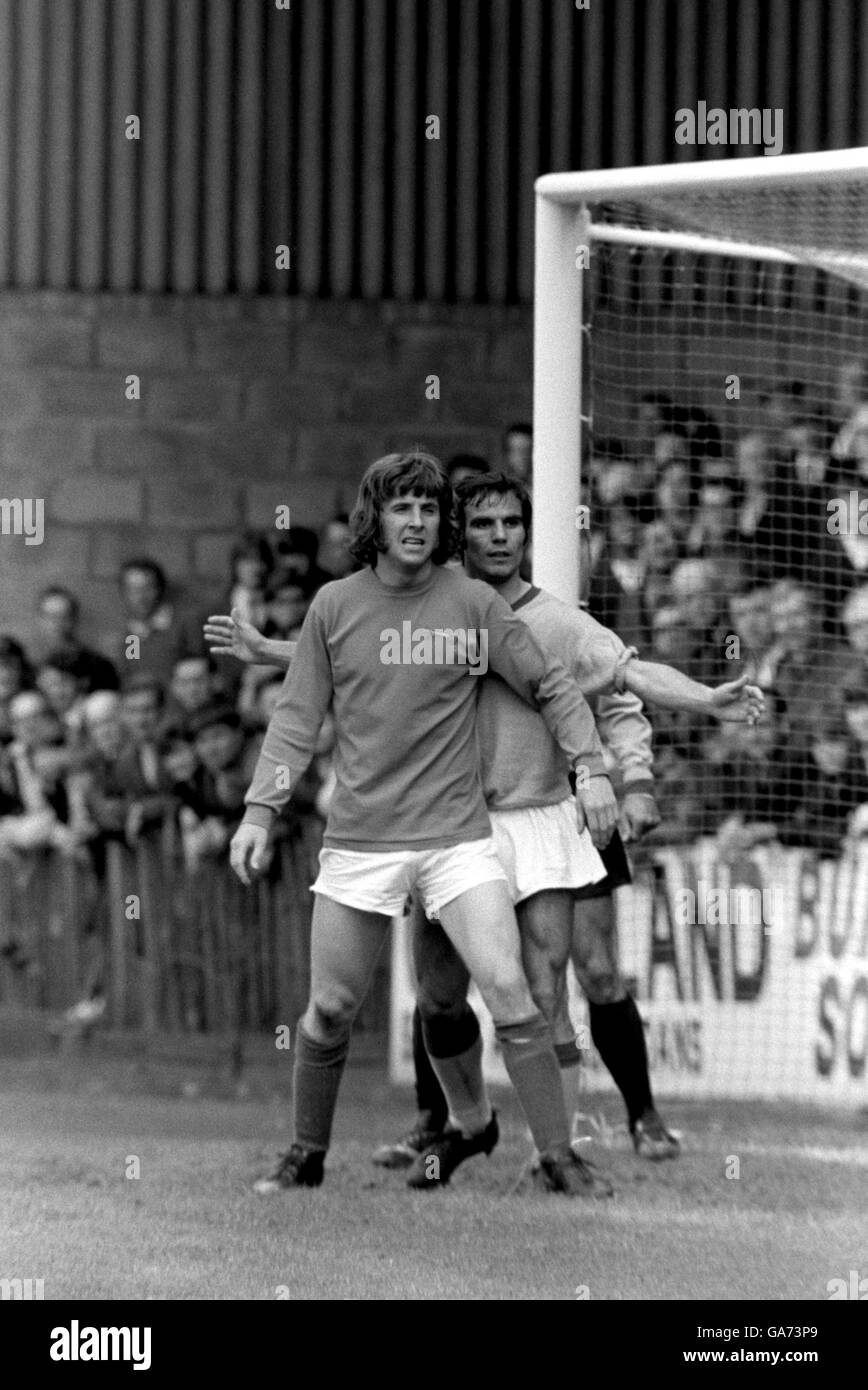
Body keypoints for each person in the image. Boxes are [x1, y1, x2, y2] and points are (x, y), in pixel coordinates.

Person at [210, 473, 763, 1184]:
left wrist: (618, 767)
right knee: (405, 999)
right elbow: (348, 663)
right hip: (406, 827)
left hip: (513, 823)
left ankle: (566, 1148)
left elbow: (605, 683)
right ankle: (435, 1129)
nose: (497, 536)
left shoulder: (524, 616)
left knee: (540, 988)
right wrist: (262, 792)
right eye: (482, 523)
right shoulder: (382, 605)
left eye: (509, 524)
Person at [225, 450, 620, 1197]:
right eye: (402, 507)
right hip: (360, 843)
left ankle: (559, 1157)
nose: (417, 521)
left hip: (457, 841)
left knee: (511, 990)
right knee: (332, 1008)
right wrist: (258, 812)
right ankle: (306, 1154)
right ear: (375, 520)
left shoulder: (474, 602)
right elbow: (296, 720)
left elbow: (552, 685)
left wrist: (592, 767)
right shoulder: (334, 606)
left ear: (444, 524)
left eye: (429, 509)